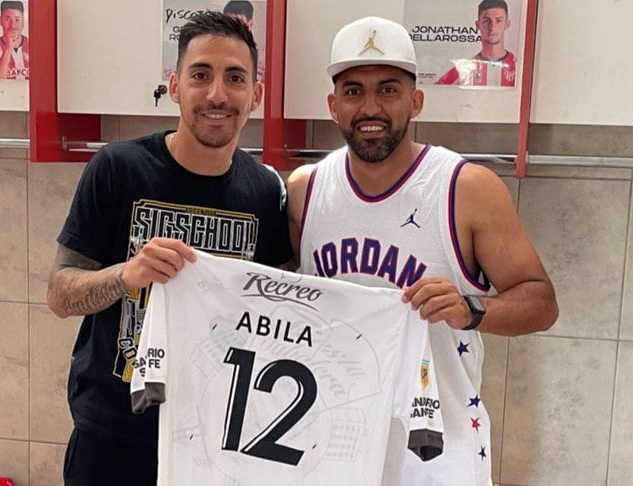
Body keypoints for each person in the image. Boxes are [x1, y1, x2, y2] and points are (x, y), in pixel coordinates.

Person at [287, 16, 558, 485]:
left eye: (388, 90)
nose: (370, 106)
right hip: (334, 445)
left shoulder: (465, 187)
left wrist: (471, 310)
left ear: (416, 101)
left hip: (439, 454)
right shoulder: (305, 190)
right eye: (353, 91)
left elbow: (541, 302)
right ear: (333, 106)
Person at [46, 11, 292, 486]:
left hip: (214, 440)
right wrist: (126, 274)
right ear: (175, 86)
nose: (217, 94)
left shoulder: (264, 191)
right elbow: (59, 294)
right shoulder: (118, 168)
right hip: (113, 440)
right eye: (201, 75)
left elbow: (277, 310)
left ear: (256, 95)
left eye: (235, 78)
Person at [435, 0, 515, 86]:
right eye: (486, 21)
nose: (492, 27)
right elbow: (434, 91)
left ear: (507, 24)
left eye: (498, 21)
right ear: (478, 25)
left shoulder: (518, 66)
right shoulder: (463, 69)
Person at [0, 1, 29, 79]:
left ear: (23, 21)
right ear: (1, 20)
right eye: (7, 19)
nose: (12, 25)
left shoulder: (35, 46)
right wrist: (8, 49)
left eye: (17, 20)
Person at [223, 1, 264, 82]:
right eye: (228, 22)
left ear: (250, 24)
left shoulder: (261, 56)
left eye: (239, 23)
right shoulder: (216, 50)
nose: (232, 28)